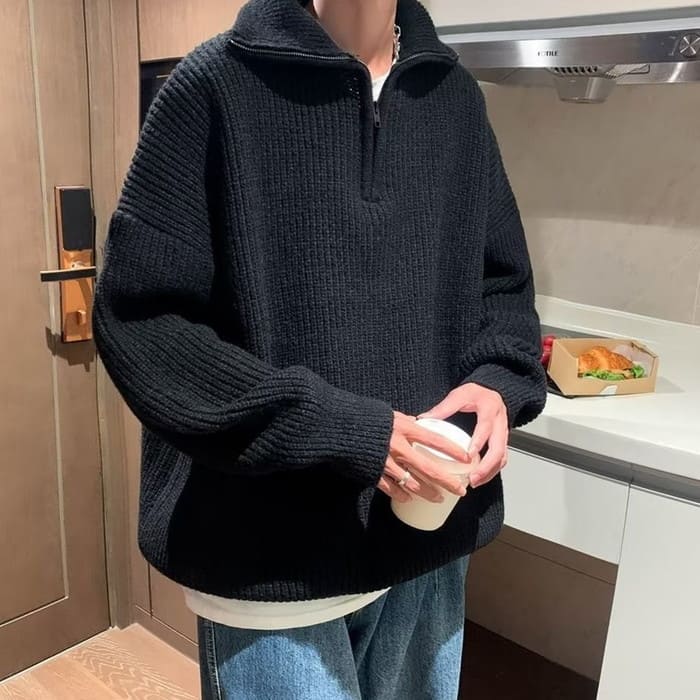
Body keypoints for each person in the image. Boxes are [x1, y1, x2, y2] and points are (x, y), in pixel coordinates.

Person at [92, 0, 547, 697]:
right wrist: (349, 432)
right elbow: (143, 324)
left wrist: (497, 381)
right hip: (269, 560)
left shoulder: (455, 99)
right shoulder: (213, 86)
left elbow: (504, 289)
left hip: (428, 539)